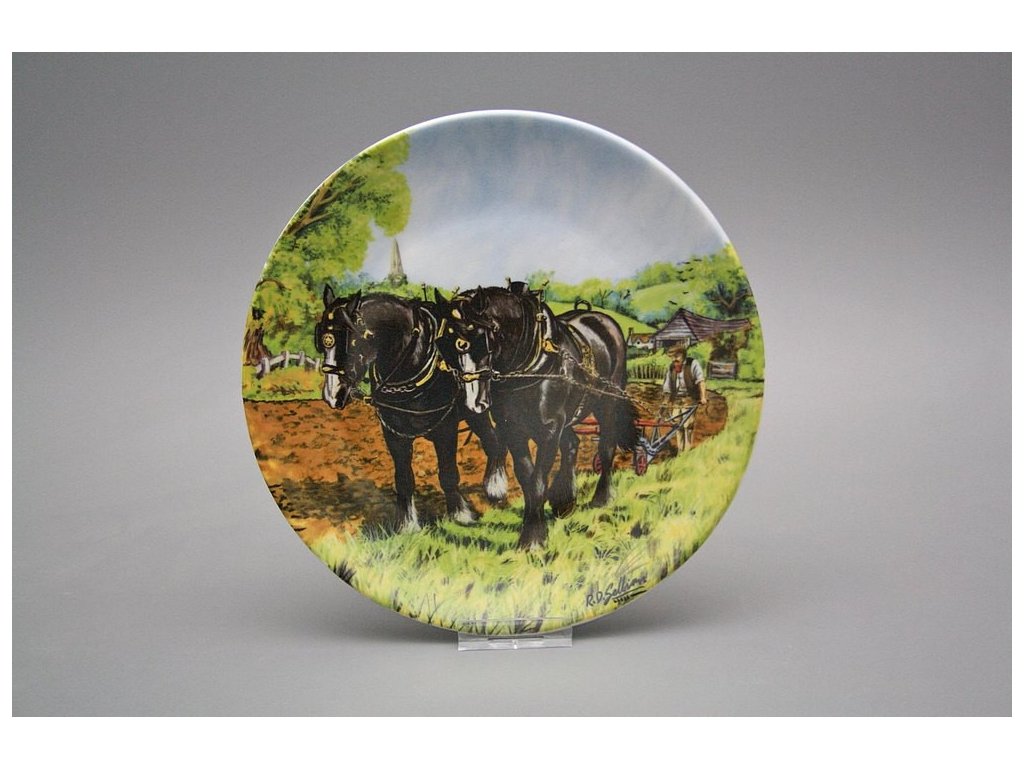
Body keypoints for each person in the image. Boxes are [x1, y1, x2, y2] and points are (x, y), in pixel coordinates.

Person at [662, 343, 707, 451]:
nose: (674, 359)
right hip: (677, 400)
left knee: (688, 425)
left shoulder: (693, 364)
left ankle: (687, 450)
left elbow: (700, 381)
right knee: (677, 425)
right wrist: (666, 401)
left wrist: (703, 397)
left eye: (676, 356)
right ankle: (680, 451)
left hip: (689, 398)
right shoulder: (672, 367)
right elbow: (667, 386)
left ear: (683, 355)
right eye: (672, 357)